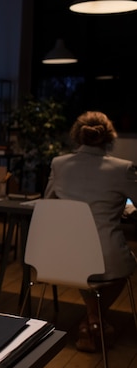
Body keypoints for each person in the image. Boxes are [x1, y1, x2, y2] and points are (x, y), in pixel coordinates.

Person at [44, 110, 137, 352]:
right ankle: (95, 321)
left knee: (83, 264)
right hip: (108, 257)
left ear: (77, 135)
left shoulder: (59, 163)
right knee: (125, 265)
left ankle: (90, 320)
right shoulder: (123, 168)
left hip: (65, 256)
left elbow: (48, 203)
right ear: (109, 137)